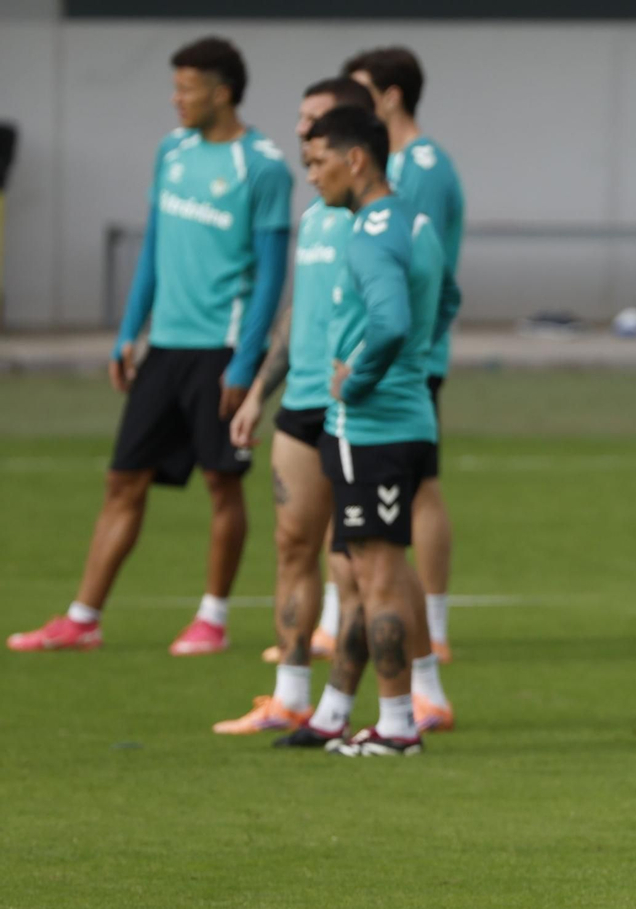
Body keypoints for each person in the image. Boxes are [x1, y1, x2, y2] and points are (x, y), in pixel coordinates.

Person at [8, 36, 290, 657]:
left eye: (186, 88)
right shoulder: (173, 151)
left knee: (222, 484)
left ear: (220, 92)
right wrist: (128, 333)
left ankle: (211, 619)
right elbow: (155, 249)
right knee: (122, 480)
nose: (175, 99)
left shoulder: (263, 166)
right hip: (164, 347)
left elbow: (272, 276)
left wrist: (247, 363)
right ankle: (84, 617)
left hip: (221, 350)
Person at [274, 105, 455, 754]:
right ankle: (340, 713)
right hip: (411, 418)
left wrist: (363, 378)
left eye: (318, 162)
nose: (312, 177)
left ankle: (399, 725)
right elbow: (448, 302)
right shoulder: (418, 225)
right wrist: (407, 372)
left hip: (370, 428)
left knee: (376, 576)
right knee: (359, 571)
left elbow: (391, 323)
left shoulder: (372, 233)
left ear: (356, 159)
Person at [211, 76, 374, 735]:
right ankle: (289, 695)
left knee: (359, 561)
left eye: (316, 128)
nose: (304, 139)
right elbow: (294, 315)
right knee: (291, 544)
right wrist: (258, 391)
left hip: (357, 412)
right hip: (301, 406)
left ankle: (365, 703)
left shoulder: (383, 218)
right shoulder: (315, 217)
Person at [342, 46, 465, 666]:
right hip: (393, 357)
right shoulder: (397, 165)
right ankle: (375, 620)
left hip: (404, 365)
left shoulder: (421, 169)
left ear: (390, 97)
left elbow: (436, 274)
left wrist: (419, 348)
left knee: (420, 489)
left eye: (359, 92)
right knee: (403, 496)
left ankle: (431, 629)